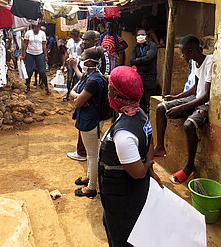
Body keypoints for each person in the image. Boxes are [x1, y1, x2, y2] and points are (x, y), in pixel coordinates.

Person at [99, 65, 163, 246]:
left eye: (111, 87)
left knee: (122, 237)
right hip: (127, 194)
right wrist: (149, 165)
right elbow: (149, 141)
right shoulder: (139, 113)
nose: (108, 91)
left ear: (117, 94)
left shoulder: (124, 135)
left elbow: (138, 173)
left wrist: (146, 166)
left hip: (123, 196)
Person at [154, 35, 212, 185]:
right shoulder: (194, 62)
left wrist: (181, 107)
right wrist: (175, 97)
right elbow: (194, 88)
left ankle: (189, 166)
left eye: (184, 52)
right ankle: (160, 147)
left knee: (188, 125)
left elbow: (205, 96)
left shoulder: (209, 62)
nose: (182, 55)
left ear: (192, 51)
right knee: (161, 108)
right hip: (195, 98)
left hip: (204, 103)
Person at [66, 30, 110, 161]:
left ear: (95, 41)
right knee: (85, 122)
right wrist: (77, 96)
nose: (83, 42)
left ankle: (83, 152)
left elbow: (96, 78)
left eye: (86, 40)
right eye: (82, 39)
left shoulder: (99, 58)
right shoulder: (87, 54)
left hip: (93, 94)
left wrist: (75, 67)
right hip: (86, 91)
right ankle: (83, 151)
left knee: (89, 123)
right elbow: (81, 81)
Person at [70, 48, 107, 198]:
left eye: (83, 57)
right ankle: (89, 177)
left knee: (92, 155)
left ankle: (91, 187)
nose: (80, 59)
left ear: (90, 61)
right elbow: (73, 92)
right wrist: (79, 98)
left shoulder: (94, 81)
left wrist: (78, 99)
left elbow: (76, 101)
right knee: (91, 153)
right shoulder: (89, 76)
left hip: (91, 121)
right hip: (89, 119)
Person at [130, 28, 158, 113]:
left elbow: (149, 58)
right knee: (140, 99)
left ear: (146, 36)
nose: (140, 36)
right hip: (139, 76)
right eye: (138, 35)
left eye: (142, 35)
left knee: (150, 98)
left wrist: (138, 60)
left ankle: (151, 119)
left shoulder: (152, 45)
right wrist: (143, 59)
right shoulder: (135, 48)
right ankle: (143, 118)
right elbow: (131, 61)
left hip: (150, 76)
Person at [22, 23, 50, 95]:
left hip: (39, 54)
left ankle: (46, 87)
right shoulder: (28, 33)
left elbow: (44, 45)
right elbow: (25, 43)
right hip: (29, 54)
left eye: (38, 27)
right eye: (35, 27)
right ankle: (28, 86)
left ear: (40, 27)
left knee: (42, 71)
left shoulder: (42, 34)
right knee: (29, 71)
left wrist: (45, 55)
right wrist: (23, 54)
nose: (36, 29)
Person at [62, 29, 83, 102]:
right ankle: (68, 93)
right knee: (69, 78)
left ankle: (76, 94)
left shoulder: (82, 42)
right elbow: (66, 53)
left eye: (76, 36)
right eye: (73, 36)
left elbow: (83, 52)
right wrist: (63, 64)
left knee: (78, 79)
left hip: (79, 62)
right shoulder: (70, 41)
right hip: (70, 61)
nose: (74, 38)